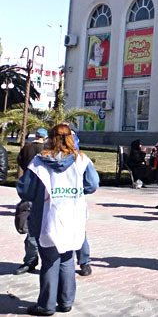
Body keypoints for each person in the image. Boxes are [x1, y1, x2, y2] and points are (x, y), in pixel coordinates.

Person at [17, 124, 99, 316]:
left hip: (47, 217)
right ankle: (66, 302)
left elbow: (25, 190)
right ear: (71, 137)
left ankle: (46, 306)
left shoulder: (40, 161)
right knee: (67, 259)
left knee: (49, 261)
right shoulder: (81, 160)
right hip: (73, 217)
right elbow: (93, 184)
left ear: (50, 138)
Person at [14, 129, 48, 276]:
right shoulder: (46, 149)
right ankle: (33, 261)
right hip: (41, 193)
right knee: (34, 231)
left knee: (32, 231)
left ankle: (31, 260)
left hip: (32, 191)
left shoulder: (27, 148)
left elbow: (20, 163)